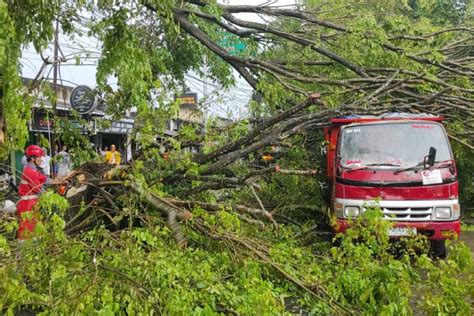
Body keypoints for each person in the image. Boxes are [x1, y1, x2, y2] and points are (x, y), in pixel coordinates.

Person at [16, 145, 47, 239]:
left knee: (32, 229)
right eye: (39, 157)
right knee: (28, 230)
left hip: (30, 203)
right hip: (27, 205)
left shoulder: (32, 169)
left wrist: (59, 180)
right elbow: (38, 189)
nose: (41, 160)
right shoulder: (30, 171)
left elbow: (43, 178)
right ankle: (23, 251)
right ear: (33, 158)